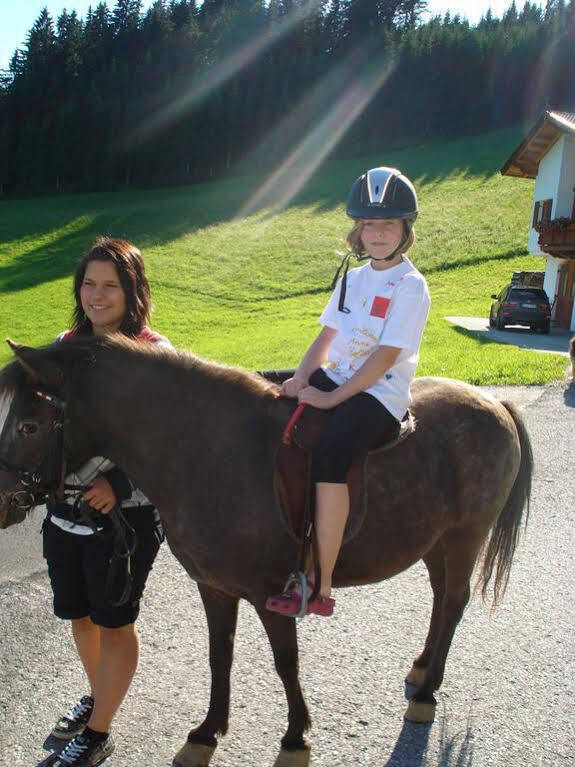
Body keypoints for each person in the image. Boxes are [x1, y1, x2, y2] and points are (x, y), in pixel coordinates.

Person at [266, 167, 430, 618]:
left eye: (389, 225)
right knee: (267, 402)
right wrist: (301, 378)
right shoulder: (353, 279)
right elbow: (326, 339)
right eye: (370, 225)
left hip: (379, 394)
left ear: (405, 230)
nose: (378, 235)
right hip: (337, 376)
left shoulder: (411, 287)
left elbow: (383, 358)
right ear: (358, 230)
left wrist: (328, 399)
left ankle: (320, 579)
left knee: (331, 453)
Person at [41, 237, 171, 767]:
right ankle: (99, 696)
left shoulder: (153, 353)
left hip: (127, 516)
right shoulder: (64, 342)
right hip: (64, 512)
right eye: (88, 283)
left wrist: (118, 483)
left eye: (110, 285)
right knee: (81, 617)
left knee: (114, 622)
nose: (97, 295)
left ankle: (98, 732)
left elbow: (169, 438)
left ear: (132, 290)